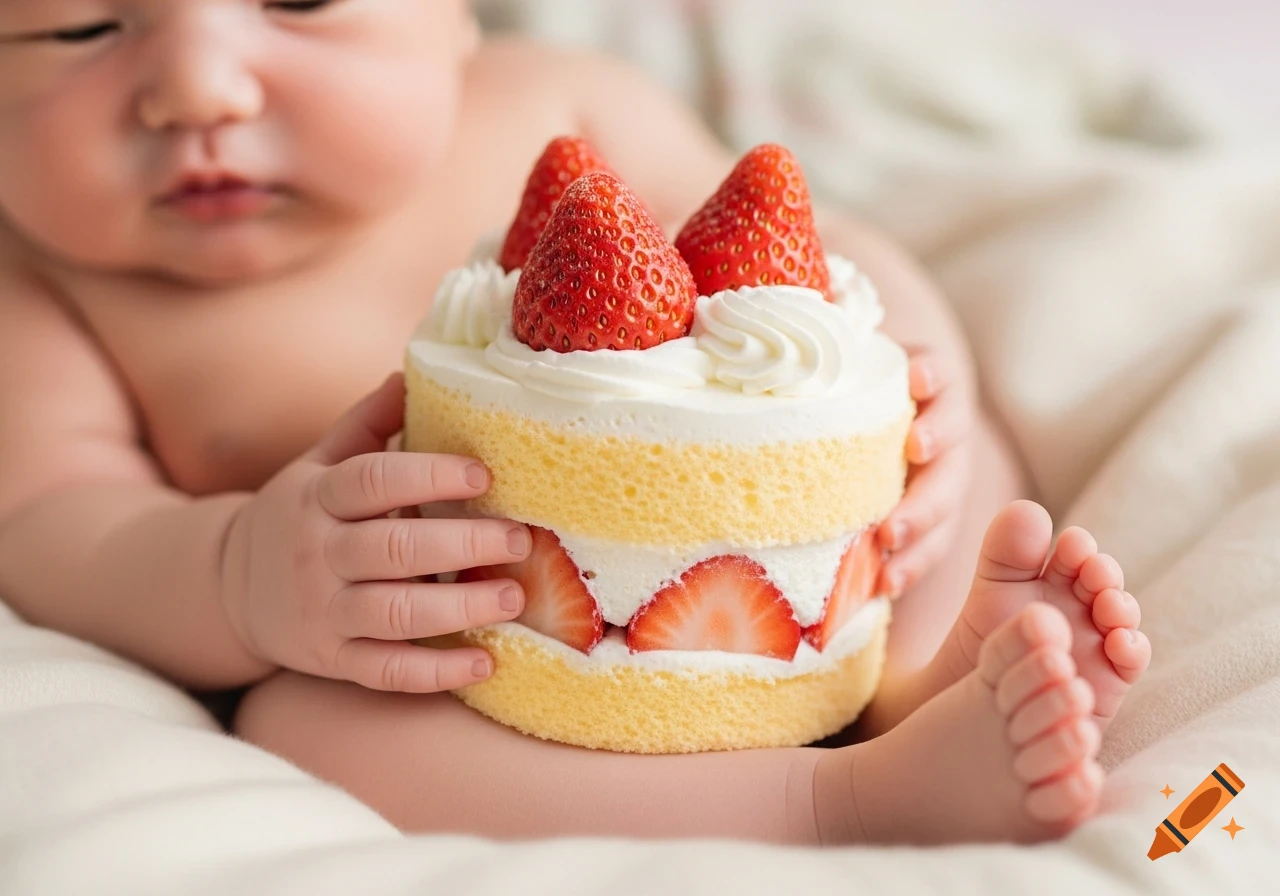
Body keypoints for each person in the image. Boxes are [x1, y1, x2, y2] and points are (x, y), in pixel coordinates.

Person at [0, 0, 1150, 845]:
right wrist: (235, 573)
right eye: (82, 27)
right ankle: (835, 800)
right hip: (476, 660)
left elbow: (802, 254)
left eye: (295, 2)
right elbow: (56, 517)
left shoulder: (551, 107)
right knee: (304, 726)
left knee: (940, 435)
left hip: (792, 554)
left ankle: (939, 671)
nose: (200, 89)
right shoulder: (46, 282)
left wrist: (900, 358)